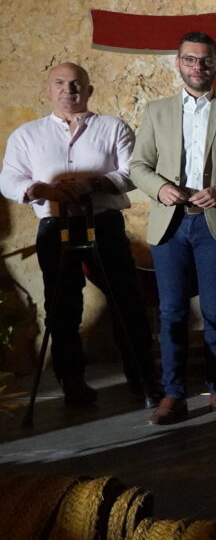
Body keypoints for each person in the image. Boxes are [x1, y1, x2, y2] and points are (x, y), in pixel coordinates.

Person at [1, 63, 160, 408]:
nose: (68, 91)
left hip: (102, 223)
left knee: (126, 301)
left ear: (89, 90)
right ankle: (72, 383)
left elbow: (132, 170)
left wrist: (95, 183)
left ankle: (144, 380)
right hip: (54, 226)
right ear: (48, 89)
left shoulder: (112, 127)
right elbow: (9, 180)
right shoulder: (26, 135)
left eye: (76, 84)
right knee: (62, 308)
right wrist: (39, 188)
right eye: (60, 83)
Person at [130, 32, 216, 424]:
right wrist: (160, 188)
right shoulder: (157, 111)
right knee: (172, 313)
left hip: (214, 224)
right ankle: (173, 395)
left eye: (206, 60)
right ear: (178, 63)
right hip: (170, 226)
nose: (198, 67)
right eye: (190, 60)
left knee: (215, 311)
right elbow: (138, 165)